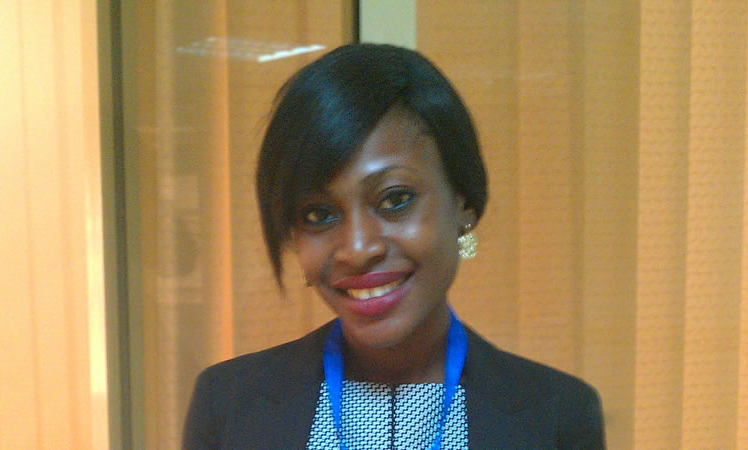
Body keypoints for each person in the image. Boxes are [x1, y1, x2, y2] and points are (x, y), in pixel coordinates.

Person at [183, 43, 604, 449]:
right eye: (318, 214)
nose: (357, 248)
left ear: (463, 203)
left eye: (395, 199)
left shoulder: (557, 418)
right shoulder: (228, 405)